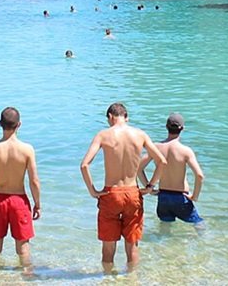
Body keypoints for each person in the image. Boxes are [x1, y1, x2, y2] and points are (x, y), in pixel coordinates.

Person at [80, 103, 167, 271]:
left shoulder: (103, 135)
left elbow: (84, 165)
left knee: (108, 246)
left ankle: (107, 279)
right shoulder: (140, 135)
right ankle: (131, 279)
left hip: (110, 193)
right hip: (133, 192)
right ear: (126, 118)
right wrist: (150, 186)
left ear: (110, 117)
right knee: (132, 244)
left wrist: (93, 191)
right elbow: (162, 162)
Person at [0, 107, 41, 270]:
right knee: (23, 246)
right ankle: (27, 276)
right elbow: (34, 181)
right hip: (19, 201)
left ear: (0, 124)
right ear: (19, 124)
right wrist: (37, 204)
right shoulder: (27, 149)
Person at [138, 113, 204, 226]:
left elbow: (138, 169)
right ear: (182, 128)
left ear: (166, 127)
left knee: (165, 229)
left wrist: (149, 188)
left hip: (163, 196)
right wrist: (195, 196)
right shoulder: (185, 151)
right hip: (181, 197)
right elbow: (199, 176)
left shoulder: (156, 148)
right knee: (199, 225)